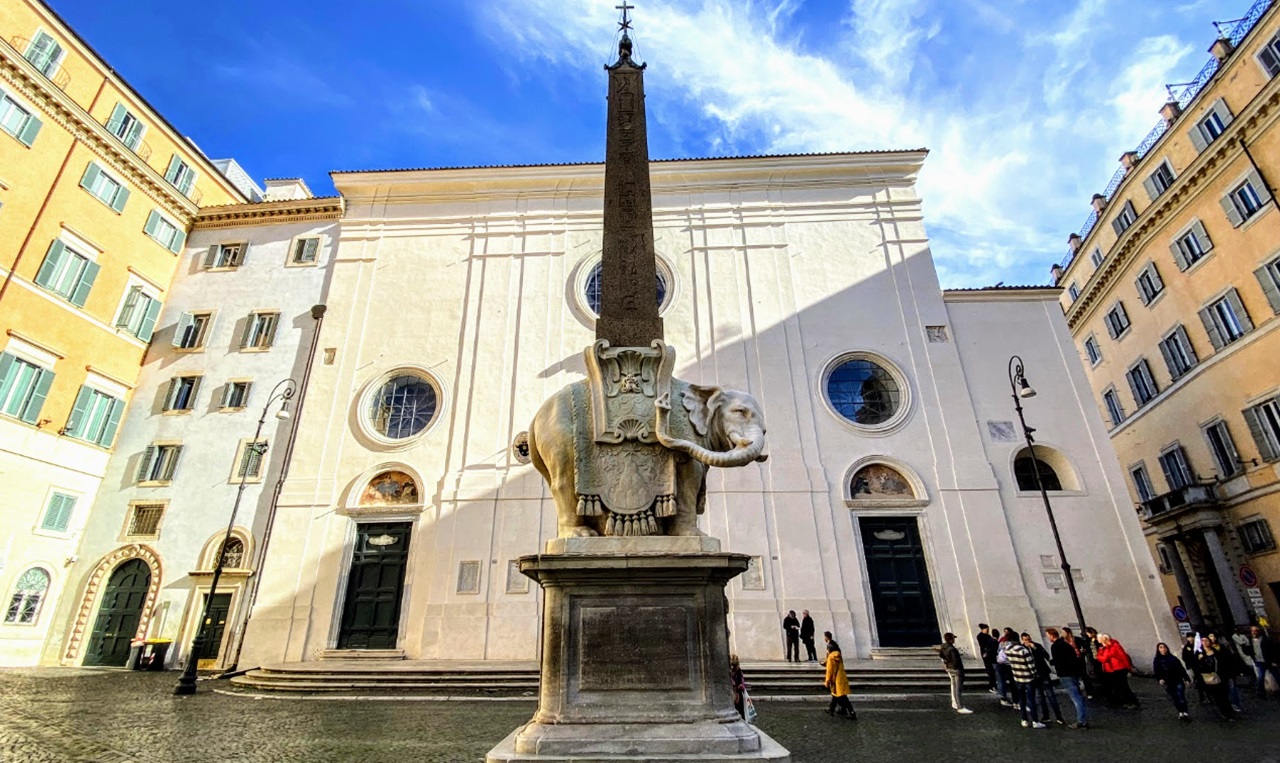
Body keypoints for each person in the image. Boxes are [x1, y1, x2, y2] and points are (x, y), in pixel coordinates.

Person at [1047, 627, 1089, 729]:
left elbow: (1058, 661)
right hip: (1074, 673)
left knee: (1076, 698)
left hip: (1065, 674)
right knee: (1078, 696)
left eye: (1048, 636)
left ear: (1052, 636)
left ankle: (1081, 721)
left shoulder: (1055, 647)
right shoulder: (1066, 644)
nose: (1048, 638)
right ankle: (1083, 718)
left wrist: (1052, 662)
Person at [1004, 632, 1044, 728]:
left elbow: (1006, 661)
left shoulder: (1008, 650)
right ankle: (1035, 720)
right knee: (1031, 700)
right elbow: (1031, 665)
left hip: (1017, 677)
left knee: (1021, 700)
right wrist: (1035, 674)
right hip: (1028, 678)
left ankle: (1024, 719)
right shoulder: (1024, 650)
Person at [1023, 632, 1064, 725]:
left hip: (1043, 672)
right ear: (1023, 640)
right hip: (1034, 675)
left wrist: (1036, 649)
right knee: (1040, 696)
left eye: (1029, 639)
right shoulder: (1022, 649)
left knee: (1050, 694)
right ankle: (1046, 716)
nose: (1028, 641)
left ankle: (1059, 716)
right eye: (1026, 640)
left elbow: (1046, 656)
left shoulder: (1037, 646)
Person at [1095, 633, 1140, 709]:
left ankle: (1132, 701)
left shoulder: (1114, 646)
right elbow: (1099, 657)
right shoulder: (1103, 648)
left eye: (1101, 640)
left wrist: (1128, 668)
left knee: (1124, 686)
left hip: (1119, 668)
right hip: (1110, 669)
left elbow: (1121, 656)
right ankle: (1123, 701)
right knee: (1117, 686)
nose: (1099, 641)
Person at [1197, 641, 1238, 721]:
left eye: (1206, 640)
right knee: (1217, 697)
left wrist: (1229, 674)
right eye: (1203, 641)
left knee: (1225, 695)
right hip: (1210, 679)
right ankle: (1224, 712)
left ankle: (1229, 713)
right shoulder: (1200, 655)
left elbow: (1225, 663)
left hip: (1221, 677)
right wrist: (1200, 660)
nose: (1205, 642)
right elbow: (1199, 668)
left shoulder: (1217, 653)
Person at [1206, 633, 1246, 713]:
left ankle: (1235, 704)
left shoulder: (1222, 647)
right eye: (1210, 636)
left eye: (1214, 636)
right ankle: (1226, 706)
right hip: (1216, 674)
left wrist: (1234, 670)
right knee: (1223, 691)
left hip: (1227, 671)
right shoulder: (1208, 650)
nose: (1212, 638)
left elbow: (1230, 658)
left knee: (1232, 688)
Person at [1152, 642, 1191, 721]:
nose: (1163, 649)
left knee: (1181, 696)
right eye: (1161, 647)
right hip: (1168, 682)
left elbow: (1181, 668)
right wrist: (1160, 679)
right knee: (1175, 697)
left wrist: (1186, 678)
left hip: (1177, 680)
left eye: (1164, 647)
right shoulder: (1157, 660)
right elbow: (1157, 671)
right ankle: (1180, 711)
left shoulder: (1173, 658)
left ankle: (1185, 712)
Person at [822, 633, 856, 719]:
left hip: (835, 679)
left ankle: (852, 713)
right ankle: (832, 709)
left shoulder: (830, 658)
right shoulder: (838, 655)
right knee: (836, 695)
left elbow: (830, 671)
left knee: (842, 697)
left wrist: (827, 681)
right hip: (841, 677)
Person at [937, 632, 973, 714]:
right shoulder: (952, 649)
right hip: (956, 670)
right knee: (958, 689)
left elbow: (941, 656)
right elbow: (955, 661)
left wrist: (946, 664)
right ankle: (960, 706)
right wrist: (954, 666)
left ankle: (955, 703)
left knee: (954, 687)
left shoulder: (943, 647)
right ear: (951, 639)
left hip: (950, 669)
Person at [1245, 625, 1279, 699]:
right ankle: (1261, 693)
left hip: (1268, 661)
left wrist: (1274, 661)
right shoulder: (1250, 640)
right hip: (1259, 662)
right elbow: (1248, 650)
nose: (1253, 632)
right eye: (1252, 631)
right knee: (1260, 677)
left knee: (1277, 676)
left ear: (1258, 631)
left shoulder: (1265, 639)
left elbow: (1272, 650)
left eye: (1255, 631)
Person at [1183, 634, 1208, 705]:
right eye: (1189, 637)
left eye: (1192, 637)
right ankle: (1202, 697)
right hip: (1194, 667)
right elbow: (1184, 657)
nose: (1190, 639)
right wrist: (1190, 663)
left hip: (1203, 666)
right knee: (1199, 682)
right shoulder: (1187, 647)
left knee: (1206, 681)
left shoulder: (1199, 646)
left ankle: (1208, 696)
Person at [995, 628, 1016, 707]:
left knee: (1001, 681)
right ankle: (1016, 701)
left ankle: (1003, 698)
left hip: (1000, 663)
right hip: (1009, 664)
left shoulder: (1001, 642)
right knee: (1013, 682)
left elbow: (998, 651)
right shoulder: (1012, 643)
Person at [976, 624, 998, 695]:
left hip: (990, 654)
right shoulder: (980, 636)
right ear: (982, 629)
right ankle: (992, 686)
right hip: (986, 654)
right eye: (986, 629)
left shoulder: (988, 636)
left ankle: (993, 685)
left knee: (992, 670)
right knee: (990, 670)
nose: (988, 631)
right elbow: (983, 645)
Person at [730, 654, 747, 719]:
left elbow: (740, 683)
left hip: (737, 693)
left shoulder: (738, 672)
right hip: (736, 693)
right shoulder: (738, 671)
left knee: (739, 709)